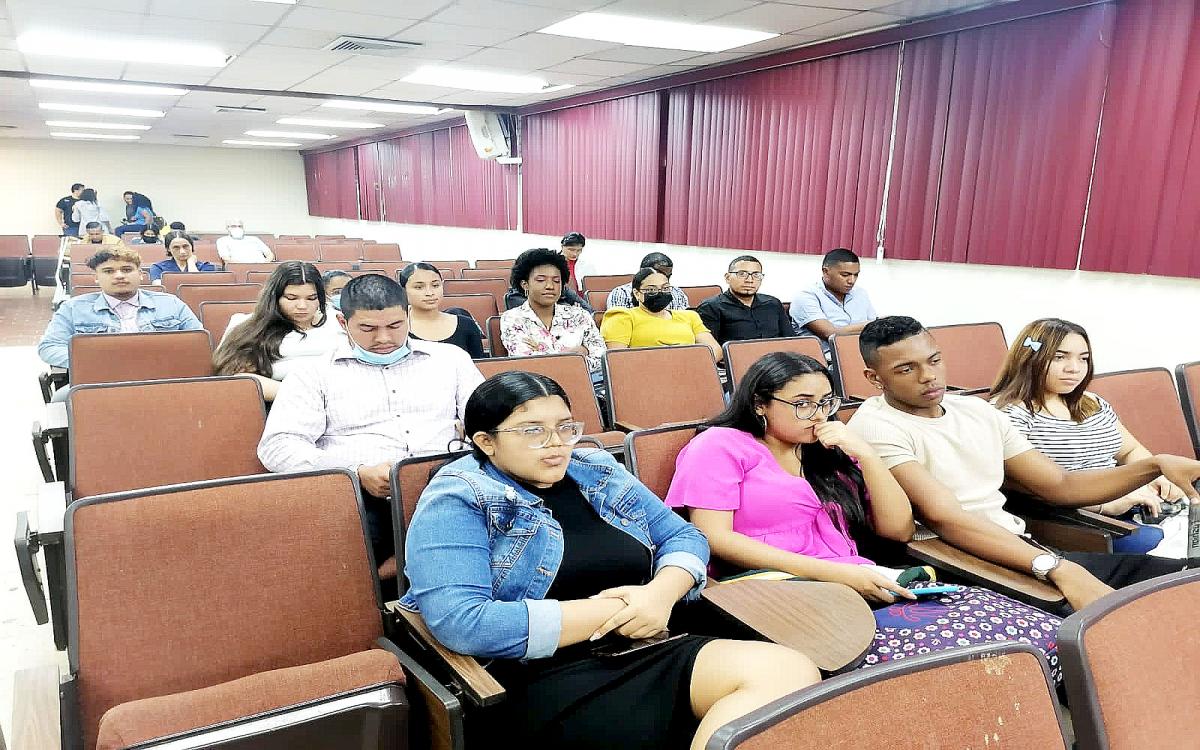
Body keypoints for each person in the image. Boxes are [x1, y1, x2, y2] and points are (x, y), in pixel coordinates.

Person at [398, 371, 821, 749]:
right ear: (485, 441)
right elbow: (463, 622)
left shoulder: (595, 468)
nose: (555, 444)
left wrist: (660, 593)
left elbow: (683, 535)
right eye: (532, 431)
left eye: (565, 428)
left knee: (790, 672)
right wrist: (621, 610)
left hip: (650, 641)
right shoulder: (458, 497)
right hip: (540, 675)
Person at [667, 352, 1062, 675]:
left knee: (1035, 633)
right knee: (980, 663)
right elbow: (715, 537)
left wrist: (867, 456)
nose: (819, 415)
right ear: (759, 404)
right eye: (802, 405)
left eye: (825, 403)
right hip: (778, 597)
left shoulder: (822, 452)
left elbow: (898, 529)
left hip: (862, 583)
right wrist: (839, 574)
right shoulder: (720, 446)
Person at [845, 316, 1196, 612]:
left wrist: (1156, 466)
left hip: (1020, 548)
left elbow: (1059, 485)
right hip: (962, 562)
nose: (928, 376)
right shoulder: (876, 426)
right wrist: (1052, 567)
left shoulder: (975, 410)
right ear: (875, 379)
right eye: (907, 369)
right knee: (1132, 619)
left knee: (1183, 584)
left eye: (934, 360)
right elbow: (946, 517)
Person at [257, 274, 484, 560]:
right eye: (367, 328)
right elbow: (278, 446)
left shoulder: (450, 360)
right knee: (338, 556)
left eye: (395, 325)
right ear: (343, 324)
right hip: (365, 500)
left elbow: (489, 421)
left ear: (408, 317)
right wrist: (356, 471)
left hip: (454, 485)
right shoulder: (313, 374)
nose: (384, 338)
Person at [990, 318, 1185, 556]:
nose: (1074, 368)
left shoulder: (1092, 403)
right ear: (1030, 359)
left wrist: (1153, 478)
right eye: (1059, 357)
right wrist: (1105, 505)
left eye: (1083, 358)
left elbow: (1129, 451)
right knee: (1170, 547)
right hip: (1077, 521)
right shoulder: (1010, 415)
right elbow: (1029, 489)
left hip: (1130, 505)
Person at [38, 247, 201, 368]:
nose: (119, 276)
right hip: (98, 379)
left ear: (140, 274)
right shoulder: (73, 308)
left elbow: (199, 341)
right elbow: (49, 347)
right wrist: (95, 362)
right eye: (108, 271)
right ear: (96, 277)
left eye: (127, 270)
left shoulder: (171, 304)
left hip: (163, 374)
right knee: (61, 398)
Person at [213, 261, 345, 402]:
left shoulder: (339, 322)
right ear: (274, 298)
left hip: (341, 397)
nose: (302, 306)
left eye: (312, 298)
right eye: (291, 298)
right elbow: (237, 378)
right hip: (279, 401)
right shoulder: (248, 327)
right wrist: (304, 396)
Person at [500, 249, 606, 377]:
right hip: (537, 390)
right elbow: (527, 364)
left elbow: (601, 359)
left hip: (583, 384)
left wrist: (541, 350)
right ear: (525, 285)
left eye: (556, 281)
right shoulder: (513, 318)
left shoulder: (580, 316)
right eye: (541, 280)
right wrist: (579, 352)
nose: (550, 286)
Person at [601, 267, 722, 363]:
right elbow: (617, 359)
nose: (659, 293)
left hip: (689, 371)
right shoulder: (622, 316)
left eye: (665, 288)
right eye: (651, 290)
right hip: (644, 376)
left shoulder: (690, 316)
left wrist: (691, 366)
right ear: (637, 294)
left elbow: (715, 350)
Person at [790, 248, 877, 354]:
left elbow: (874, 330)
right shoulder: (806, 296)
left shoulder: (860, 293)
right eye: (845, 275)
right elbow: (830, 333)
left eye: (856, 275)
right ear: (825, 272)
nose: (851, 281)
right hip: (826, 362)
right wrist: (875, 325)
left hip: (860, 355)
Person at [695, 255, 794, 345]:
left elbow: (791, 339)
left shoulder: (773, 303)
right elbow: (711, 351)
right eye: (742, 274)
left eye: (756, 275)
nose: (749, 280)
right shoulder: (711, 307)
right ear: (727, 277)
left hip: (777, 361)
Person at [400, 263, 486, 359]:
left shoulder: (466, 325)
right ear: (403, 291)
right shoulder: (396, 327)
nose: (430, 293)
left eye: (435, 285)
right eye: (419, 287)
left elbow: (479, 367)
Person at [606, 252, 689, 311]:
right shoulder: (622, 293)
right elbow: (619, 324)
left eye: (668, 276)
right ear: (643, 272)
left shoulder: (677, 292)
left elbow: (684, 323)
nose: (665, 279)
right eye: (660, 274)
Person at [148, 231, 217, 283]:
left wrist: (191, 263)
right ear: (168, 249)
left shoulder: (207, 266)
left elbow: (198, 285)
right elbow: (159, 287)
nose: (182, 251)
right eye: (176, 247)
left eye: (185, 246)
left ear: (191, 246)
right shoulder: (158, 267)